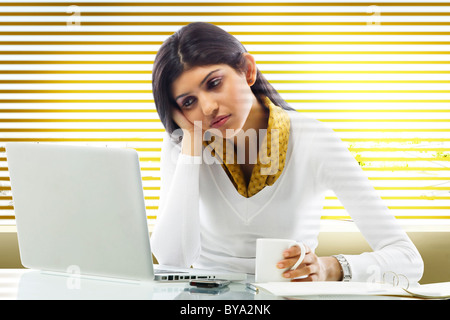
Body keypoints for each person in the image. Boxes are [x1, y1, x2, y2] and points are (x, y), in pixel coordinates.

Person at [150, 22, 424, 282]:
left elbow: (408, 259)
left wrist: (330, 268)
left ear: (247, 70)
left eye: (214, 83)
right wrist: (190, 149)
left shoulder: (313, 139)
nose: (207, 107)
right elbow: (172, 259)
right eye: (189, 102)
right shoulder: (183, 145)